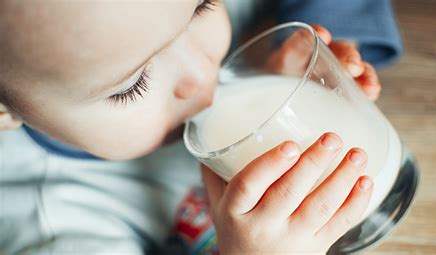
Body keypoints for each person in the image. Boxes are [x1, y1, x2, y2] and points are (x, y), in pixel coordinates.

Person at [0, 0, 402, 254]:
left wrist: (320, 55)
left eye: (202, 9)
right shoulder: (55, 221)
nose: (203, 75)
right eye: (132, 85)